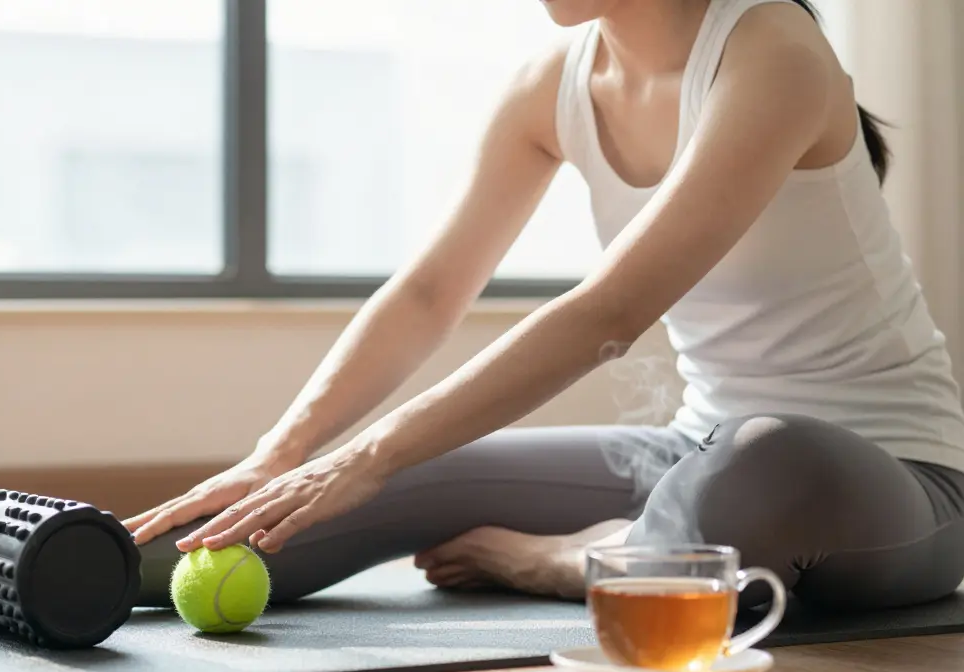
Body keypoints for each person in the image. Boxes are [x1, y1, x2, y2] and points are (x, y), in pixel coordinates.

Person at [126, 0, 964, 611]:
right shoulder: (551, 88)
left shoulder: (775, 49)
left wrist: (363, 456)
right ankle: (77, 567)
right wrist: (284, 456)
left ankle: (569, 563)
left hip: (897, 480)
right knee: (377, 480)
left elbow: (610, 314)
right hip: (685, 454)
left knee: (764, 461)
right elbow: (426, 294)